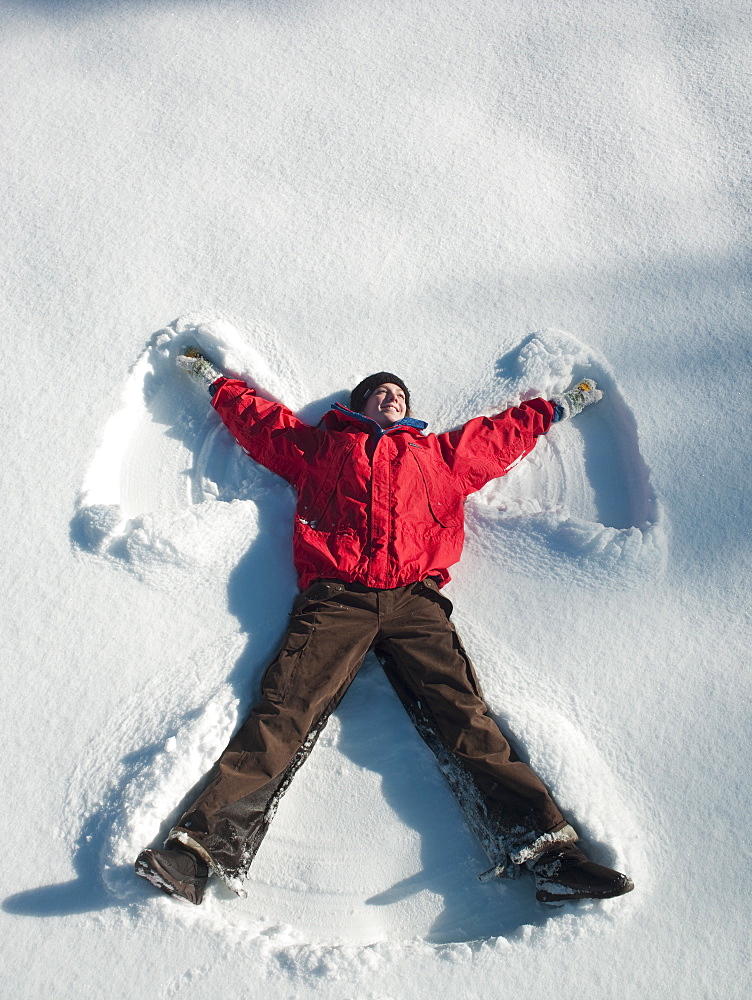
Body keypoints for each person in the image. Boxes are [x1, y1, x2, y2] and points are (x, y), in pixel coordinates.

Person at [135, 350, 634, 907]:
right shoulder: (323, 447)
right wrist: (215, 382)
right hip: (336, 598)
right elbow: (263, 425)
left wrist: (560, 406)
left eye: (398, 393)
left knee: (464, 716)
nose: (390, 397)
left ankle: (550, 857)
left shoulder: (441, 455)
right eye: (379, 392)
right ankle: (196, 855)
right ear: (358, 406)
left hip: (415, 601)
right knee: (284, 712)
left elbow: (501, 436)